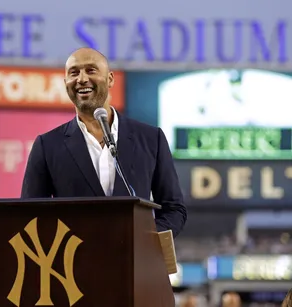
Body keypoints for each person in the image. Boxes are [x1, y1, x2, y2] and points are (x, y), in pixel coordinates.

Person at [21, 47, 187, 237]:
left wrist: (145, 239)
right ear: (66, 82)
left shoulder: (151, 139)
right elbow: (30, 215)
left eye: (91, 70)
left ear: (110, 79)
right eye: (74, 73)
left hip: (134, 262)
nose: (82, 79)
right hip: (73, 263)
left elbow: (174, 209)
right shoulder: (47, 145)